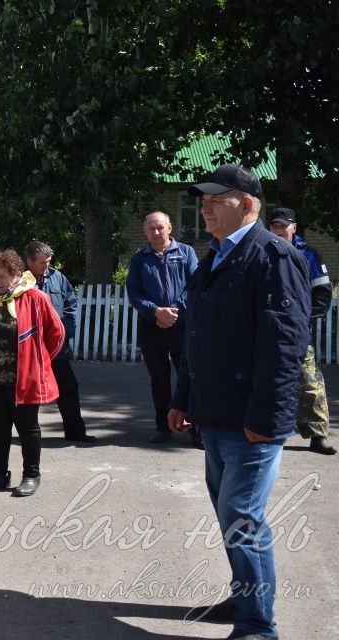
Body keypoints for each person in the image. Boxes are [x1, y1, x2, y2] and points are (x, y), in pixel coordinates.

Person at [169, 164, 310, 640]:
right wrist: (182, 397)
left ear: (247, 204)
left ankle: (257, 624)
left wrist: (266, 421)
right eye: (202, 199)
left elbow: (285, 346)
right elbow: (197, 334)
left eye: (215, 198)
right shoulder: (216, 257)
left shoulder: (274, 257)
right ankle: (245, 594)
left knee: (242, 519)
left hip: (250, 423)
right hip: (214, 416)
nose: (204, 206)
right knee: (230, 517)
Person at [0, 250, 66, 496]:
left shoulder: (35, 297)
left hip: (22, 377)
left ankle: (31, 475)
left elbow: (56, 334)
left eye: (3, 276)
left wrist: (39, 361)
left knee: (27, 427)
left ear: (17, 275)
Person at [125, 212, 200, 446]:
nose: (156, 233)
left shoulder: (186, 253)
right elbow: (134, 293)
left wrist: (174, 311)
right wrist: (156, 311)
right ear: (145, 232)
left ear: (170, 227)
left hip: (183, 326)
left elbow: (195, 285)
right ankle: (163, 427)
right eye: (151, 229)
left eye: (160, 228)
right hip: (152, 326)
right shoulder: (139, 259)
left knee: (190, 376)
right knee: (159, 380)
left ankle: (196, 429)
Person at [268, 207, 336, 455]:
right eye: (274, 226)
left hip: (296, 333)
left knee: (308, 382)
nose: (278, 230)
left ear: (293, 227)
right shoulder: (263, 253)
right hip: (266, 331)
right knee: (268, 381)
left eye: (283, 226)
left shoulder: (309, 255)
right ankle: (273, 430)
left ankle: (318, 435)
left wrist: (301, 318)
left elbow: (323, 294)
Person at [24, 242, 96, 443]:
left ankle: (75, 432)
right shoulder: (19, 280)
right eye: (41, 263)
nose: (46, 266)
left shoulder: (58, 277)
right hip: (29, 349)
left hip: (56, 348)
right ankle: (28, 435)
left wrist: (66, 332)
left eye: (48, 262)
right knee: (29, 393)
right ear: (29, 261)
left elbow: (70, 306)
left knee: (68, 388)